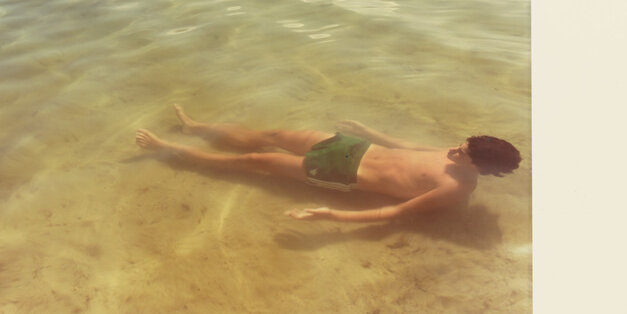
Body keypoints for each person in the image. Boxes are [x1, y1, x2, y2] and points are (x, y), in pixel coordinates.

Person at [135, 105, 521, 223]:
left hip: (344, 173)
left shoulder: (457, 188)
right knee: (274, 134)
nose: (453, 149)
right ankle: (197, 125)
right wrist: (367, 128)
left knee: (252, 161)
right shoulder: (455, 154)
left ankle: (166, 148)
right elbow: (407, 145)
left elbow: (397, 211)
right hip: (352, 147)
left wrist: (331, 215)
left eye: (462, 152)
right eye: (459, 144)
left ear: (479, 165)